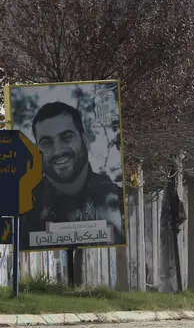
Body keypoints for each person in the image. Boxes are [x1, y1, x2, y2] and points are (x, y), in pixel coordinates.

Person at [21, 101, 125, 251]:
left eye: (66, 137)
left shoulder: (115, 199)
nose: (58, 151)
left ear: (85, 139)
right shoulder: (26, 211)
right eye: (46, 143)